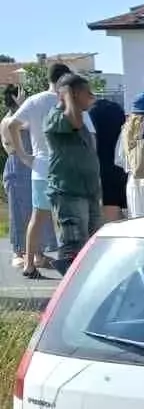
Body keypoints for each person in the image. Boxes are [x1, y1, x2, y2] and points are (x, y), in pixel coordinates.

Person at [3, 60, 72, 279]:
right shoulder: (68, 100)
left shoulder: (34, 101)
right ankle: (68, 263)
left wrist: (24, 155)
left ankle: (30, 263)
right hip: (64, 168)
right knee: (67, 218)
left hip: (40, 168)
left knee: (37, 217)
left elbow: (13, 125)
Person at [45, 72, 103, 266]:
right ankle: (67, 294)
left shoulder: (79, 117)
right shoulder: (56, 117)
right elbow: (74, 122)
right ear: (73, 94)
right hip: (69, 194)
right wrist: (67, 94)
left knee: (92, 246)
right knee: (73, 247)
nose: (91, 97)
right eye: (87, 92)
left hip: (88, 193)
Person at [2, 84, 33, 268]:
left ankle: (34, 251)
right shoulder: (9, 121)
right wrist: (23, 106)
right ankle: (18, 251)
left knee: (31, 212)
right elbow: (27, 126)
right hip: (16, 167)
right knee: (18, 212)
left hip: (27, 167)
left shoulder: (18, 118)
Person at [89, 94, 128, 222]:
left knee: (111, 221)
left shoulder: (92, 114)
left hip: (102, 170)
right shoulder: (117, 111)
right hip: (122, 168)